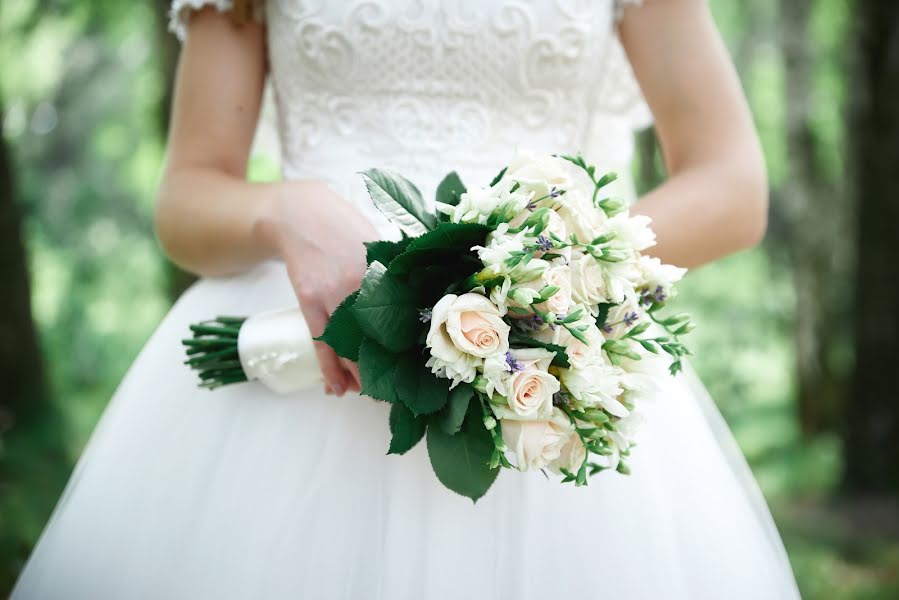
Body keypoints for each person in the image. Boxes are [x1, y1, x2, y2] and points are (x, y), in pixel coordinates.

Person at [12, 0, 801, 597]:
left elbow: (731, 187)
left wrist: (536, 268)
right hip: (300, 362)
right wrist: (283, 208)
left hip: (544, 346)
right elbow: (185, 199)